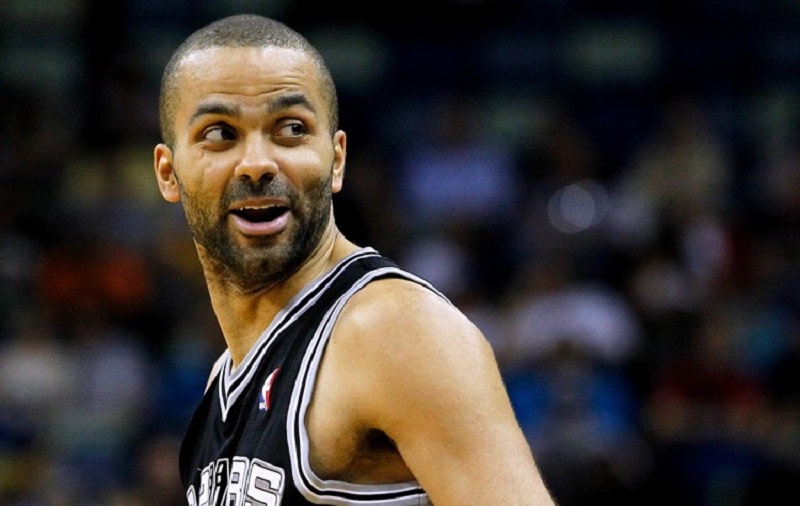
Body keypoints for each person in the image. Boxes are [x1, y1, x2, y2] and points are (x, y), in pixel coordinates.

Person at [152, 13, 556, 505]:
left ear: (337, 160)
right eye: (220, 134)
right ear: (168, 173)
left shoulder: (394, 331)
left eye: (291, 129)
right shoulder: (224, 378)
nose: (257, 163)